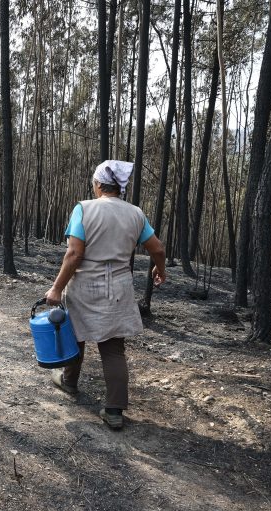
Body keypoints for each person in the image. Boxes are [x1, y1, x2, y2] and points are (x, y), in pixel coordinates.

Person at [44, 160, 166, 430]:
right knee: (113, 350)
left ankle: (69, 382)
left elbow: (75, 253)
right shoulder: (136, 213)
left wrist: (56, 288)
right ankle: (113, 411)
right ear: (118, 187)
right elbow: (157, 248)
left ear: (99, 185)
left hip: (86, 284)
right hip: (119, 287)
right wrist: (161, 270)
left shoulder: (84, 209)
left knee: (76, 338)